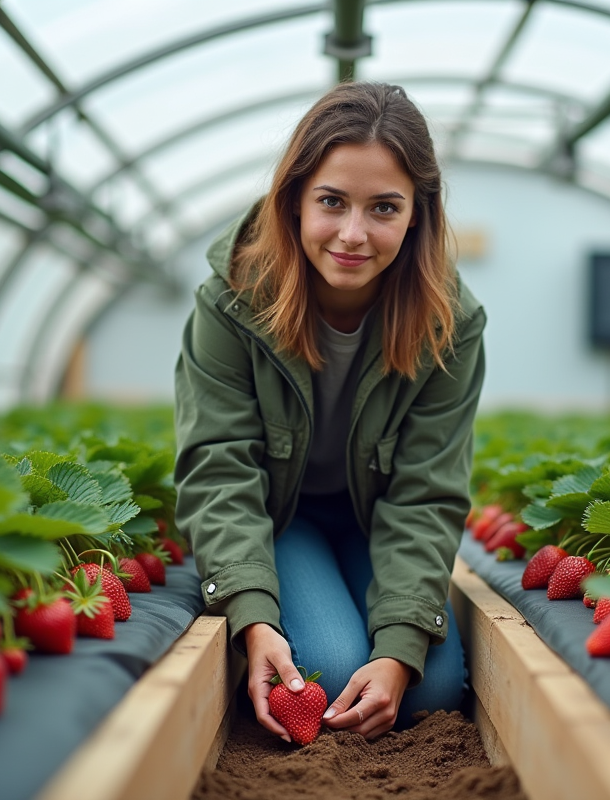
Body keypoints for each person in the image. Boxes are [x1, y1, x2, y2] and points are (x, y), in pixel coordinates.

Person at [173, 81, 486, 742]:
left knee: (428, 686)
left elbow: (427, 493)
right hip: (278, 516)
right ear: (293, 200)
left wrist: (400, 648)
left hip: (380, 520)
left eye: (384, 208)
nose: (353, 233)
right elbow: (219, 467)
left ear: (416, 215)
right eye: (332, 201)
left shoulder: (448, 324)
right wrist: (252, 619)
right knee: (333, 667)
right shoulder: (232, 299)